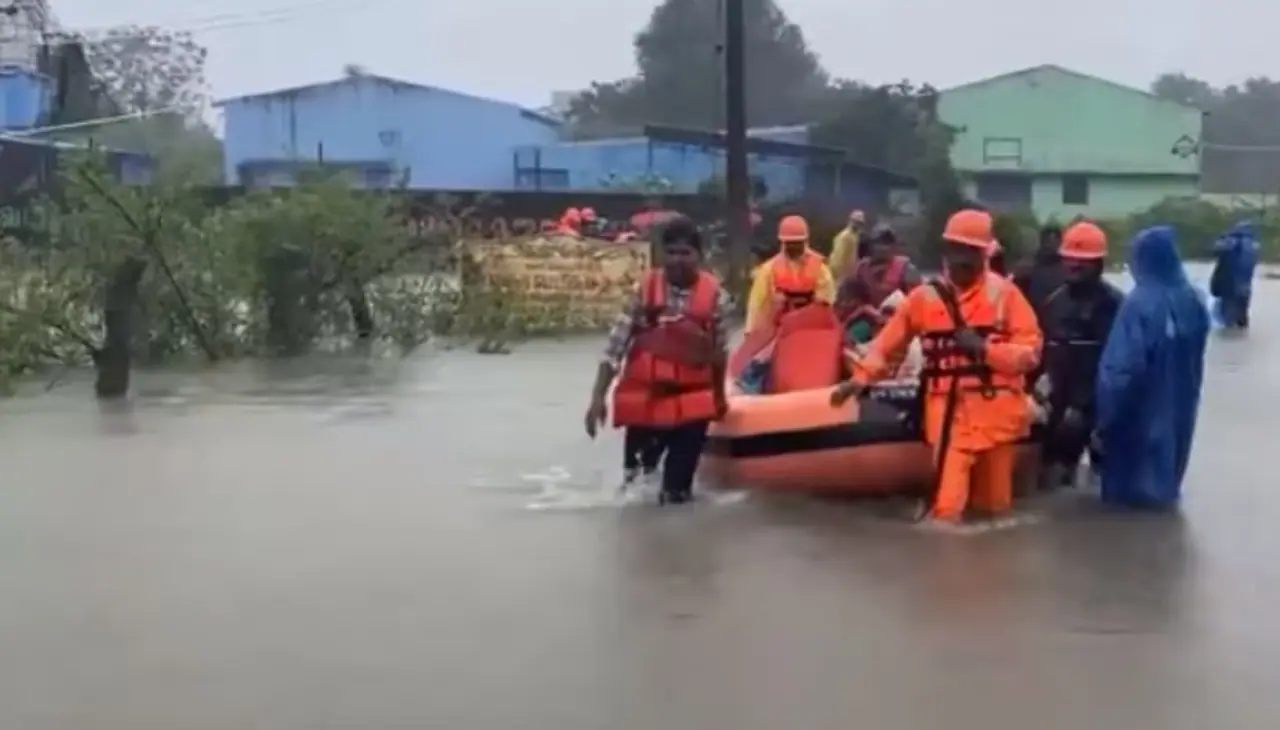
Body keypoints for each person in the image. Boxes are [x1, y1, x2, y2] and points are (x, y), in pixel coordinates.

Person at [831, 209, 1042, 529]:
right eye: (957, 250)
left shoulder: (1006, 295)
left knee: (996, 511)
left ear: (985, 254)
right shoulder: (924, 298)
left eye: (971, 252)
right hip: (949, 414)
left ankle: (996, 559)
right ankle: (944, 556)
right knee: (947, 510)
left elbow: (1030, 352)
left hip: (998, 416)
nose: (962, 260)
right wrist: (860, 379)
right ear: (946, 251)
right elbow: (888, 345)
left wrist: (985, 350)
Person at [585, 217, 731, 504]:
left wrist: (719, 398)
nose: (678, 260)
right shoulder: (644, 291)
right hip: (647, 401)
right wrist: (597, 398)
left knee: (677, 494)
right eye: (671, 252)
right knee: (635, 490)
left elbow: (719, 353)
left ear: (699, 256)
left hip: (691, 404)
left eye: (685, 253)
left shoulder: (717, 298)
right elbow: (614, 348)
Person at [1093, 226, 1209, 510]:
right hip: (1180, 415)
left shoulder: (1139, 304)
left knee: (1126, 506)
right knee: (1164, 492)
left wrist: (1103, 422)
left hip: (1136, 423)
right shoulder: (1194, 300)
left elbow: (1119, 372)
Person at [1036, 221, 1124, 489]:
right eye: (1070, 259)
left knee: (1105, 481)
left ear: (1098, 263)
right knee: (1052, 478)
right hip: (1058, 403)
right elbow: (1041, 351)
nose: (1074, 266)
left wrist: (1085, 406)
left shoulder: (1115, 305)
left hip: (1098, 405)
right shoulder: (1054, 302)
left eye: (1082, 261)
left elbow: (1121, 365)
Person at [745, 214, 836, 332]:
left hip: (812, 330)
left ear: (805, 242)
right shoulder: (768, 270)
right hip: (780, 331)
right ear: (782, 243)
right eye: (790, 243)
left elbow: (828, 302)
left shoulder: (820, 268)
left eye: (797, 243)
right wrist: (751, 332)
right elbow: (757, 305)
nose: (793, 247)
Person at [835, 223, 922, 342]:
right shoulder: (861, 269)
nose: (883, 248)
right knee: (847, 337)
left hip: (898, 323)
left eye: (888, 243)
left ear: (894, 247)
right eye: (879, 243)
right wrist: (865, 310)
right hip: (868, 321)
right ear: (871, 246)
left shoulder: (907, 269)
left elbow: (918, 304)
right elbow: (846, 301)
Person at [1210, 220, 1259, 328]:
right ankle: (1241, 330)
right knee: (1242, 314)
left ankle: (1230, 332)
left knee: (1228, 317)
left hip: (1229, 282)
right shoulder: (1253, 244)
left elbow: (1214, 250)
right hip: (1245, 283)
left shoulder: (1231, 241)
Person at [1013, 224, 1064, 315]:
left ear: (1060, 241)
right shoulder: (1027, 266)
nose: (1050, 244)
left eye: (1055, 239)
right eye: (1047, 240)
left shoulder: (1068, 268)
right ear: (1042, 241)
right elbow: (1016, 296)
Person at [829, 209, 867, 277]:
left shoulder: (854, 236)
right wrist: (840, 276)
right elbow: (838, 260)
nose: (858, 225)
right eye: (856, 222)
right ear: (851, 221)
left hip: (848, 275)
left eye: (860, 223)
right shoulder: (845, 236)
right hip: (840, 275)